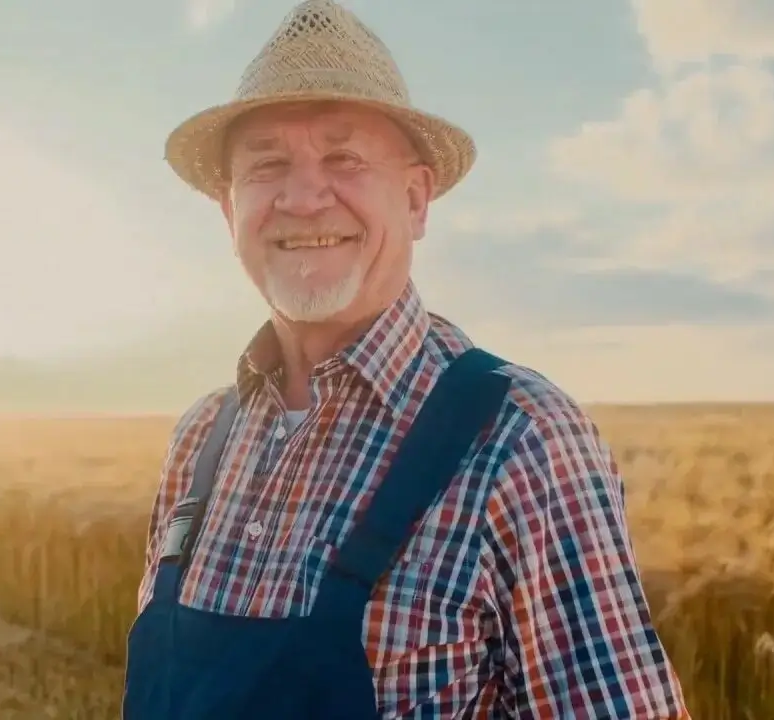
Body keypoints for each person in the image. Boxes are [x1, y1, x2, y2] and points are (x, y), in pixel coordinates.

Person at [123, 1, 690, 718]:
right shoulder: (198, 441)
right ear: (230, 212)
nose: (302, 198)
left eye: (345, 158)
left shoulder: (521, 441)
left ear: (417, 200)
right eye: (267, 165)